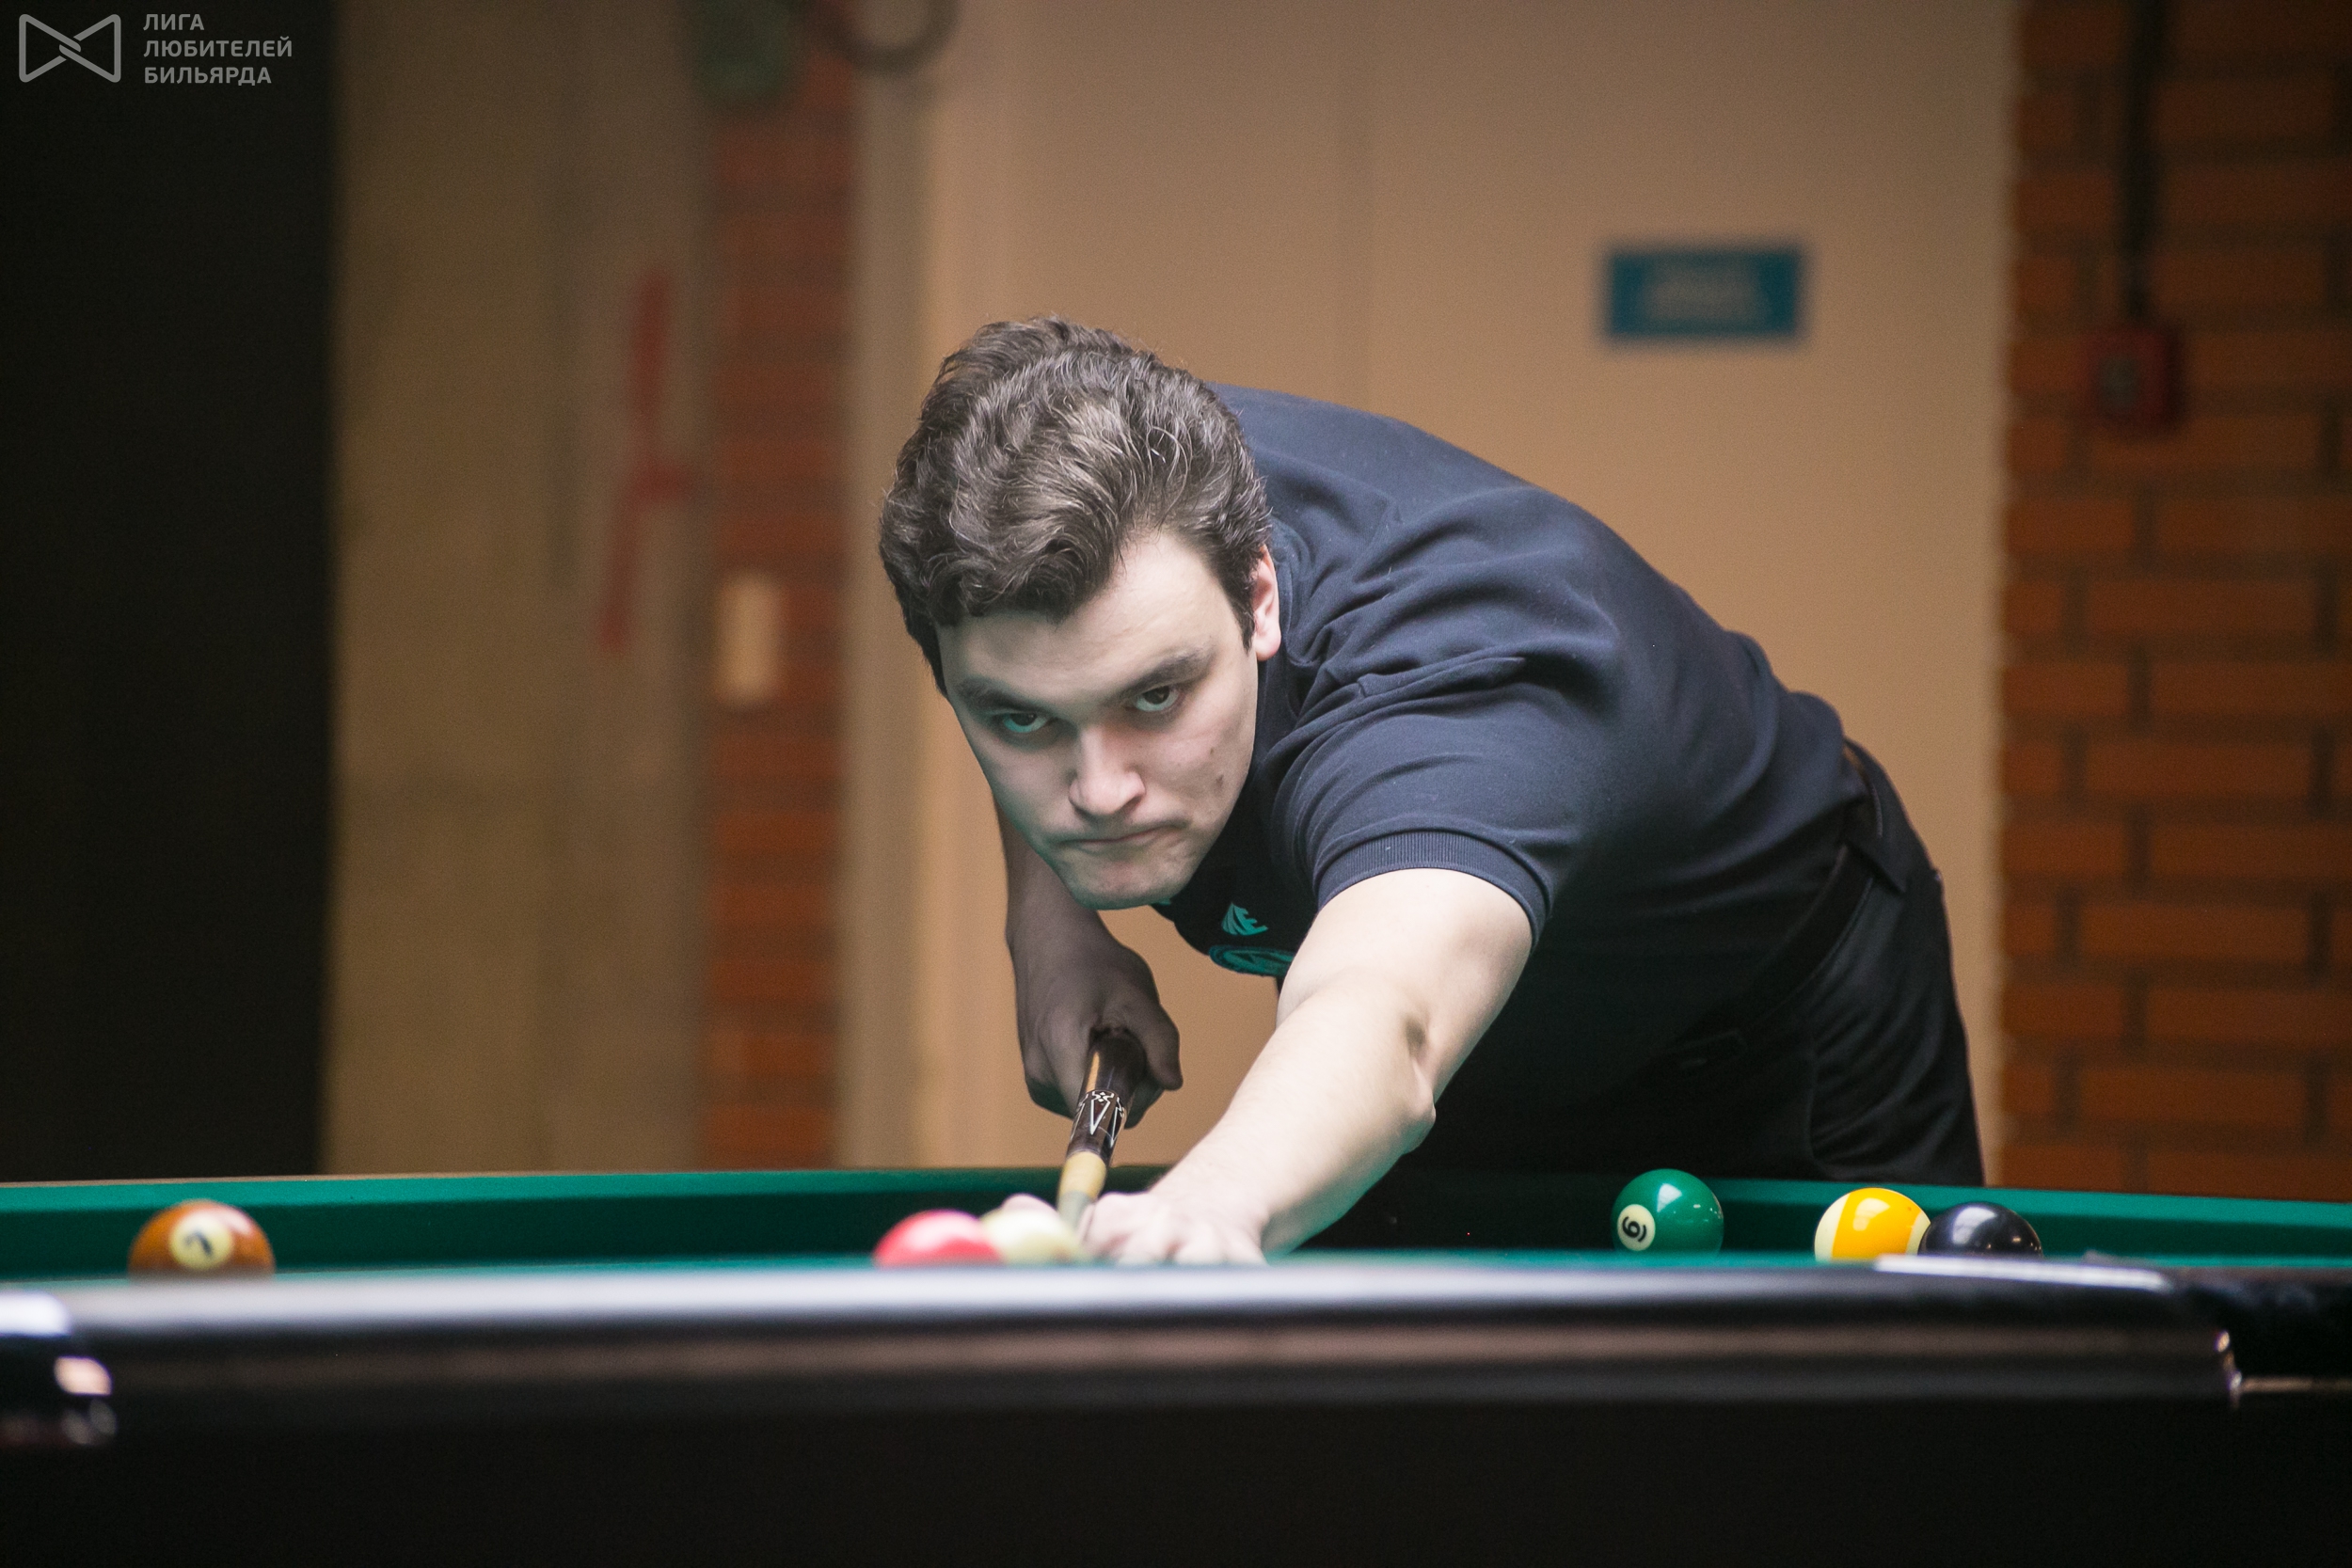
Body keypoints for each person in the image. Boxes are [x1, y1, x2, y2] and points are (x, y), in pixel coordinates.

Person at [878, 317, 1981, 1263]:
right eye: (1020, 721)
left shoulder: (1456, 689)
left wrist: (1208, 1204)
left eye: (1156, 697)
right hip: (1477, 1067)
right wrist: (1051, 926)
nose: (1098, 788)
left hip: (1770, 1027)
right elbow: (1039, 658)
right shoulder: (1072, 485)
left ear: (1259, 597)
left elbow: (1384, 1015)